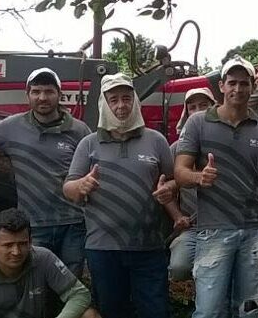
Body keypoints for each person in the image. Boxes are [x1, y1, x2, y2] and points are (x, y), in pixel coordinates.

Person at [63, 73, 185, 318]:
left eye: (127, 98)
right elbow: (68, 188)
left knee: (156, 311)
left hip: (149, 247)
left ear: (135, 101)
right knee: (112, 311)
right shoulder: (89, 144)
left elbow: (174, 179)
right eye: (114, 99)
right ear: (104, 103)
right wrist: (82, 185)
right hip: (103, 248)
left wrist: (168, 188)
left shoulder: (156, 140)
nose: (121, 105)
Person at [174, 57, 258, 318]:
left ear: (252, 86)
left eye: (244, 83)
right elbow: (179, 172)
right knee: (209, 311)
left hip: (257, 230)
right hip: (214, 229)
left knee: (250, 311)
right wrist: (199, 178)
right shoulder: (198, 123)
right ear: (222, 87)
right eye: (232, 83)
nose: (238, 89)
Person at [0, 68, 92, 276]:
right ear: (28, 95)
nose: (42, 97)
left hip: (73, 224)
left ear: (59, 95)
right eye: (36, 91)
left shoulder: (79, 131)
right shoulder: (11, 127)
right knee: (35, 284)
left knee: (71, 283)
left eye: (49, 91)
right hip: (32, 227)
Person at [0, 208, 99, 318]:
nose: (16, 251)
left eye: (22, 244)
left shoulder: (43, 258)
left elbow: (80, 294)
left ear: (30, 242)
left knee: (90, 315)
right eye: (8, 245)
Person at [169, 87, 216, 282]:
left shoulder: (224, 143)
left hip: (223, 225)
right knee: (179, 268)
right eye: (192, 107)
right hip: (193, 227)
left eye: (204, 106)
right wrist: (177, 216)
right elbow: (164, 189)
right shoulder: (175, 149)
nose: (197, 111)